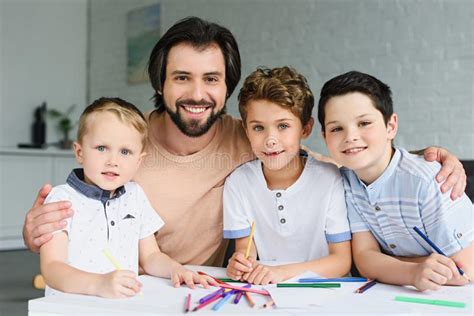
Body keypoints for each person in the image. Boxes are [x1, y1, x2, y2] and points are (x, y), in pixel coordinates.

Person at [23, 17, 467, 272]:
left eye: (211, 79)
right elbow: (82, 199)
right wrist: (38, 231)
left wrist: (428, 157)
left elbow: (339, 156)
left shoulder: (248, 136)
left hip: (213, 289)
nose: (198, 93)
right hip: (137, 290)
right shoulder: (128, 144)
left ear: (226, 87)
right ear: (161, 82)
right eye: (182, 78)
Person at [41, 98, 214, 298]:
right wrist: (98, 284)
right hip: (69, 308)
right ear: (80, 152)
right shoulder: (61, 199)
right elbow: (52, 268)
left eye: (125, 152)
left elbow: (151, 256)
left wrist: (177, 270)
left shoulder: (135, 196)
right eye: (101, 148)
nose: (113, 161)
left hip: (121, 305)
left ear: (139, 161)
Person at [318, 71, 473, 291]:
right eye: (336, 128)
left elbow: (463, 270)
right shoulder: (347, 182)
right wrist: (412, 271)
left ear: (390, 126)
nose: (350, 136)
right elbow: (365, 260)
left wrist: (389, 266)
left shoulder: (428, 181)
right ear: (324, 137)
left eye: (364, 123)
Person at [224, 67, 351, 285]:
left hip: (328, 291)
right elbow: (246, 250)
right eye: (258, 128)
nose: (270, 139)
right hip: (271, 290)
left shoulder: (329, 179)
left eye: (283, 126)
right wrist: (240, 263)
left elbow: (341, 262)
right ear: (245, 130)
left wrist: (282, 273)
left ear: (305, 128)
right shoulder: (238, 183)